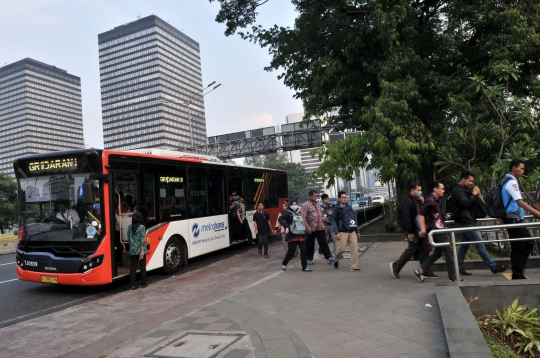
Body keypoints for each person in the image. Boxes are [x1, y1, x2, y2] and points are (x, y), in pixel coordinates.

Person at [451, 171, 508, 276]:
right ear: (463, 179)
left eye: (472, 181)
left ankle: (458, 268)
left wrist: (475, 195)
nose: (471, 183)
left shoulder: (463, 190)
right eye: (469, 180)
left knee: (464, 246)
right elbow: (465, 203)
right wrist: (473, 194)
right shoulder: (458, 190)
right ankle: (493, 267)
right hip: (466, 221)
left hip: (467, 220)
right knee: (480, 244)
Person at [501, 159, 540, 280]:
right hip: (513, 218)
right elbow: (520, 202)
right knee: (518, 247)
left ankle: (518, 270)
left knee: (528, 243)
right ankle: (517, 275)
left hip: (515, 217)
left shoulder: (506, 180)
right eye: (521, 168)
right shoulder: (511, 182)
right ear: (514, 168)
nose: (523, 171)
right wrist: (537, 213)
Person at [390, 182, 435, 279]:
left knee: (424, 249)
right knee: (412, 250)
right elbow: (407, 218)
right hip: (412, 230)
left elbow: (421, 213)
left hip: (419, 229)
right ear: (412, 191)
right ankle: (396, 266)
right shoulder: (407, 202)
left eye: (420, 190)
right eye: (418, 190)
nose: (420, 192)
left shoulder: (416, 200)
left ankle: (425, 270)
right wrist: (410, 232)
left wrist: (422, 203)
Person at [414, 181, 457, 282]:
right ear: (435, 189)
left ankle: (420, 271)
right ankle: (453, 278)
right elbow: (421, 214)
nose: (443, 190)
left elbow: (435, 215)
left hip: (440, 229)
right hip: (437, 231)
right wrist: (423, 229)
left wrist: (444, 216)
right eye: (441, 188)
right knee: (449, 252)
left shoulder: (436, 200)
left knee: (438, 253)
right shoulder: (430, 200)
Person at [301, 190, 335, 265]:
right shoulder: (305, 205)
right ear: (310, 196)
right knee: (310, 244)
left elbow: (319, 214)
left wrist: (322, 218)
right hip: (311, 228)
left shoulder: (318, 204)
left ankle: (328, 257)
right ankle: (309, 258)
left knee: (323, 242)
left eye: (316, 196)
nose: (316, 197)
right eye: (314, 196)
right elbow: (303, 217)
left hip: (320, 227)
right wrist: (307, 227)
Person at [331, 191, 361, 271]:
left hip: (352, 231)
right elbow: (333, 220)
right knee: (342, 249)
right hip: (342, 231)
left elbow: (354, 219)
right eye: (343, 197)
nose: (345, 199)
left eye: (345, 197)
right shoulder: (336, 209)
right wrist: (336, 232)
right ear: (339, 198)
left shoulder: (349, 207)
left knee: (355, 249)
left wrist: (357, 230)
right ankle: (336, 259)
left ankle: (354, 266)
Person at [279, 200, 311, 272]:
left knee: (303, 251)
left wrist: (308, 227)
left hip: (302, 234)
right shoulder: (288, 213)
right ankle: (284, 264)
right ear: (290, 205)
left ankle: (304, 267)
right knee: (291, 251)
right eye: (293, 204)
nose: (294, 205)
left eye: (295, 204)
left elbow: (305, 220)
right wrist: (286, 226)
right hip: (292, 235)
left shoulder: (301, 212)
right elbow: (280, 219)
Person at [128, 212, 147, 289]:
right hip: (140, 250)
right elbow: (143, 239)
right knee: (142, 267)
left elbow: (128, 238)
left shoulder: (129, 227)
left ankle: (133, 284)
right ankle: (143, 283)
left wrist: (131, 247)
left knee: (133, 267)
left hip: (132, 250)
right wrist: (142, 251)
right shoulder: (142, 227)